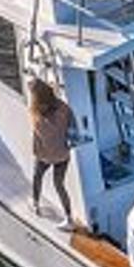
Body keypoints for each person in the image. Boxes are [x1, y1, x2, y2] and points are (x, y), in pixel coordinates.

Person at [27, 79, 77, 231]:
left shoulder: (36, 114)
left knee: (37, 176)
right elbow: (73, 128)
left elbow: (37, 134)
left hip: (44, 155)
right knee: (59, 184)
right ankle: (69, 218)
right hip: (62, 154)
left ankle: (35, 204)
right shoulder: (64, 108)